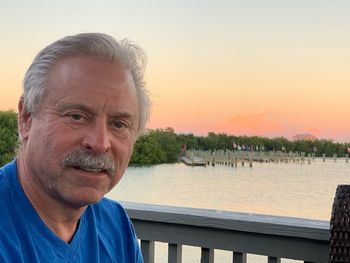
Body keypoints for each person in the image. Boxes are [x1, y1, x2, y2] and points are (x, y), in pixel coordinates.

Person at [0, 33, 150, 262]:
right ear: (27, 117)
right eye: (77, 116)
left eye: (119, 124)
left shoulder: (116, 224)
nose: (100, 144)